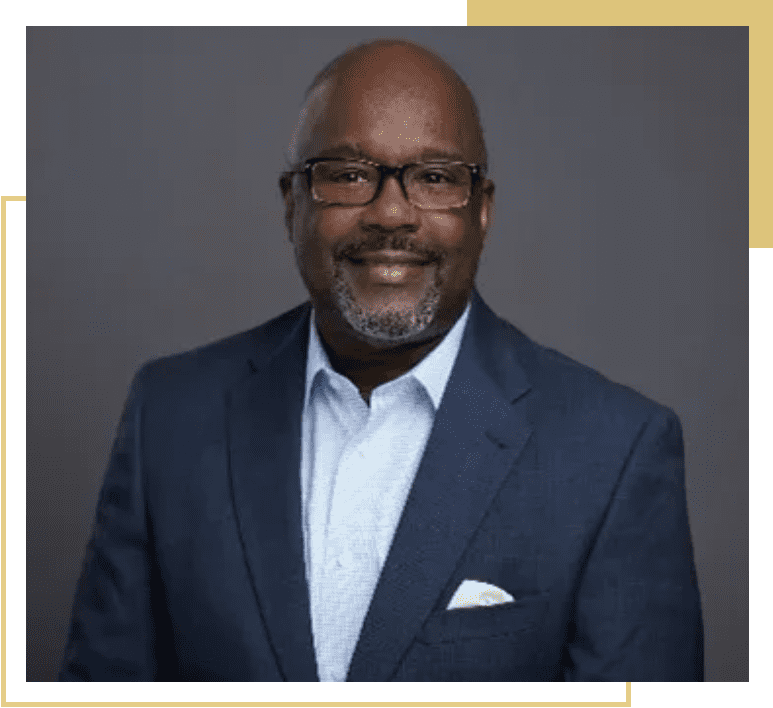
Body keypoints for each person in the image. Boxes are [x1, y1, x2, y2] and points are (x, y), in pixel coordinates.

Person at [60, 39, 703, 682]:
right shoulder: (170, 417)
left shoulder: (613, 452)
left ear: (483, 211)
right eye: (347, 173)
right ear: (293, 205)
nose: (391, 213)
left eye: (435, 178)